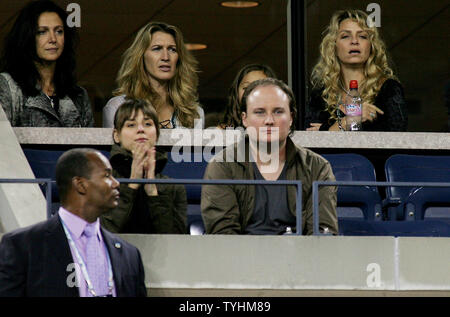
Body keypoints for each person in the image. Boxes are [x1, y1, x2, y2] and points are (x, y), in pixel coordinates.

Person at [0, 148, 146, 297]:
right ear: (80, 184)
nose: (116, 183)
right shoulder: (23, 246)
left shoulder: (130, 255)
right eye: (107, 175)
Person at [201, 78, 338, 235]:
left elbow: (322, 235)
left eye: (278, 112)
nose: (269, 121)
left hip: (300, 257)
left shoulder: (317, 167)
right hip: (240, 257)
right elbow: (223, 236)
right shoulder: (222, 166)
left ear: (291, 117)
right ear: (244, 118)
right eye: (259, 112)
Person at [305, 9, 407, 131]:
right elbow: (312, 142)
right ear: (334, 46)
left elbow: (397, 138)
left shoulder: (388, 89)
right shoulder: (321, 95)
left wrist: (328, 129)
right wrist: (350, 119)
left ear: (371, 46)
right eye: (345, 36)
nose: (354, 41)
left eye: (362, 36)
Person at [0, 0, 93, 127]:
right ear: (27, 37)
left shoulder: (79, 96)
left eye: (59, 31)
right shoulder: (8, 85)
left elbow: (90, 144)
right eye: (42, 32)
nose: (53, 39)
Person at [101, 99, 187, 233]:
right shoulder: (101, 183)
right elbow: (101, 235)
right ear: (116, 135)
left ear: (157, 134)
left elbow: (175, 242)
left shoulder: (174, 188)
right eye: (131, 125)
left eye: (147, 124)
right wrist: (131, 186)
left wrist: (153, 193)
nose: (141, 129)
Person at [103, 22, 204, 129]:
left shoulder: (194, 113)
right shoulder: (118, 107)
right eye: (157, 48)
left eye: (172, 49)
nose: (165, 57)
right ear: (141, 56)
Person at [220, 63, 277, 128]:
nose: (251, 92)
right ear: (236, 92)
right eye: (246, 88)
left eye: (259, 88)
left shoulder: (280, 129)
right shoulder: (222, 133)